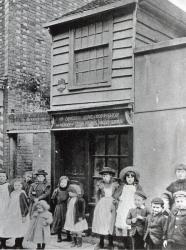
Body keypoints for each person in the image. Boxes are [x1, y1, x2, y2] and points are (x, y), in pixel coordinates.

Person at [114, 166, 143, 249]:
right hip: (123, 208)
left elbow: (141, 196)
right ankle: (123, 245)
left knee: (132, 227)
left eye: (132, 177)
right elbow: (116, 196)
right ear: (125, 178)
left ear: (135, 178)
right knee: (124, 226)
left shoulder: (137, 187)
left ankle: (132, 246)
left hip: (133, 207)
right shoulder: (123, 187)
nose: (130, 179)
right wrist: (118, 199)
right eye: (128, 177)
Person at [92, 167, 118, 250]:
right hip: (102, 205)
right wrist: (97, 204)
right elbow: (97, 195)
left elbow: (118, 195)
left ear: (111, 176)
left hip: (111, 205)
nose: (104, 178)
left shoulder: (115, 185)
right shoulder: (100, 184)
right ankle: (101, 242)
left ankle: (111, 243)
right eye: (103, 176)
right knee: (102, 222)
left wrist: (115, 202)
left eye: (106, 176)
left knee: (110, 223)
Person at [3, 178, 29, 249]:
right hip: (13, 214)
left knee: (21, 229)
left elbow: (26, 206)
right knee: (15, 229)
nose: (17, 187)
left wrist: (24, 215)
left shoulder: (22, 193)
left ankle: (19, 244)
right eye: (15, 185)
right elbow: (10, 204)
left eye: (19, 185)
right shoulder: (12, 193)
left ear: (22, 186)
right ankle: (16, 243)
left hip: (20, 214)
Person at [64, 183, 88, 248]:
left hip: (78, 218)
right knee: (72, 231)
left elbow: (82, 210)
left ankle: (79, 242)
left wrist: (81, 217)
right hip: (71, 217)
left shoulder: (80, 200)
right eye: (69, 191)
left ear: (76, 192)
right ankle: (73, 242)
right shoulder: (69, 199)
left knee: (78, 230)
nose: (69, 193)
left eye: (71, 191)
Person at [51, 176, 70, 242]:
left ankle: (68, 236)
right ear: (59, 182)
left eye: (65, 182)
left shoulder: (68, 190)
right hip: (59, 207)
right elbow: (53, 199)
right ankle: (59, 236)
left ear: (67, 183)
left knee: (67, 221)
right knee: (59, 221)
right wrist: (57, 205)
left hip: (67, 207)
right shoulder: (56, 190)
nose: (63, 183)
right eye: (62, 182)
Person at [0, 169, 11, 249]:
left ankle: (3, 244)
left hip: (5, 209)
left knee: (4, 227)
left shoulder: (9, 186)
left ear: (6, 178)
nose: (1, 178)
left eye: (3, 176)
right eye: (0, 176)